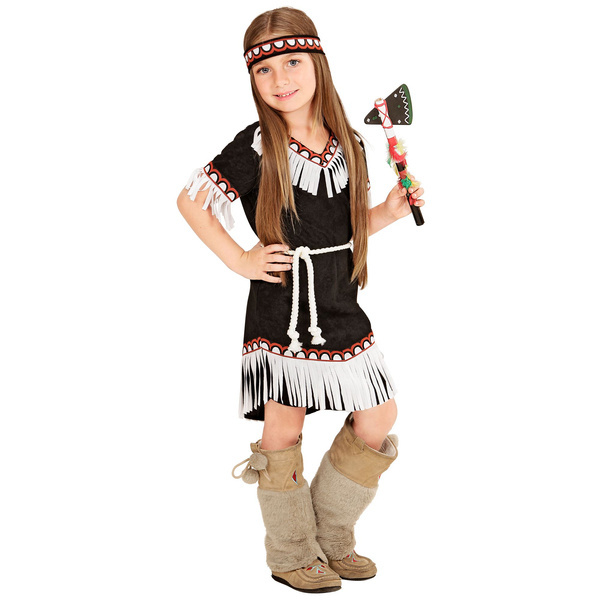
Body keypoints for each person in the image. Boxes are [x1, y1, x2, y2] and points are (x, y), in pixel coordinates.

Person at [177, 7, 425, 594]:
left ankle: (328, 536)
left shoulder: (349, 143)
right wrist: (241, 260)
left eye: (292, 62)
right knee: (283, 428)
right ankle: (291, 551)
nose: (280, 78)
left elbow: (344, 228)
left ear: (317, 62)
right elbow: (191, 201)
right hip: (283, 310)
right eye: (264, 70)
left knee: (378, 416)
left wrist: (388, 213)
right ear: (252, 79)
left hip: (339, 300)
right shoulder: (258, 144)